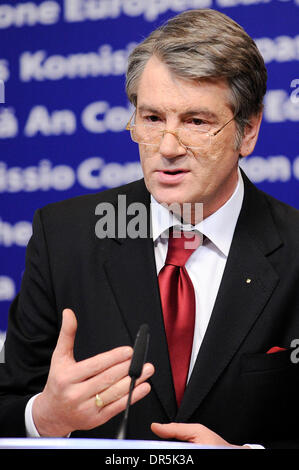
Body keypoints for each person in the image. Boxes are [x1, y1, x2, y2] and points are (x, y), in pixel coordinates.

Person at [1, 8, 299, 449]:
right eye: (152, 118)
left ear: (248, 132)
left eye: (196, 122)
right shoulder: (64, 236)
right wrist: (43, 417)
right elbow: (9, 403)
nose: (167, 147)